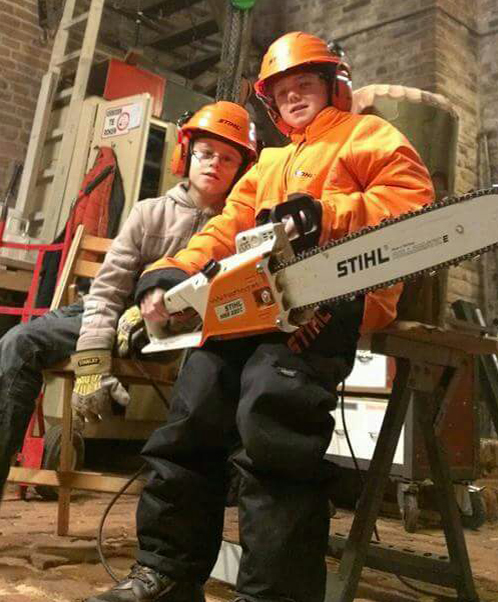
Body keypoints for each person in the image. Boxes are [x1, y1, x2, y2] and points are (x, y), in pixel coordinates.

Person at [88, 32, 435, 602]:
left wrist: (326, 214)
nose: (293, 96)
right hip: (249, 305)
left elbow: (411, 202)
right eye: (282, 90)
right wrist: (172, 272)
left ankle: (275, 593)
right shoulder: (267, 163)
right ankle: (167, 571)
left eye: (305, 84)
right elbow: (225, 229)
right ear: (271, 103)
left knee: (273, 422)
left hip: (328, 300)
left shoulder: (367, 135)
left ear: (333, 86)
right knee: (192, 415)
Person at [0, 101, 256, 504]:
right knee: (19, 342)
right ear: (186, 154)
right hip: (107, 314)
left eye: (228, 158)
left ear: (243, 170)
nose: (214, 164)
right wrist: (91, 363)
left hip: (179, 333)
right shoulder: (148, 213)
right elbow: (107, 291)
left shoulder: (240, 229)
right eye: (206, 153)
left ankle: (201, 489)